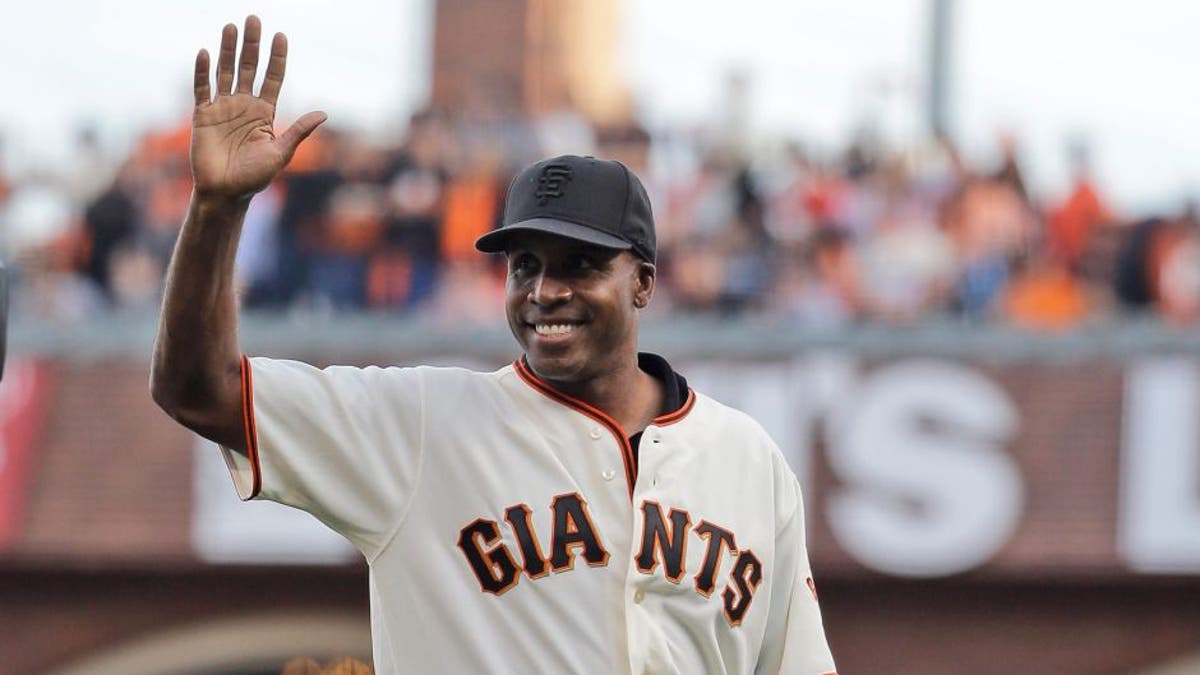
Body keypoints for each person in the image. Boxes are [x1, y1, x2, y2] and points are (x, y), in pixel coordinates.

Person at [150, 16, 837, 675]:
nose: (546, 290)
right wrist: (217, 208)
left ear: (644, 283)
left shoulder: (749, 460)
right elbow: (197, 388)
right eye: (526, 264)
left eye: (581, 264)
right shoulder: (421, 424)